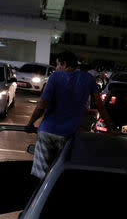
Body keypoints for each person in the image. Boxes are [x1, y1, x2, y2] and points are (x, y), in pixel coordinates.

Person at [26, 51, 113, 179]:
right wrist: (110, 128)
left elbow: (41, 105)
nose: (56, 68)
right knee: (61, 173)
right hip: (69, 135)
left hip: (47, 132)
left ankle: (41, 197)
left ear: (64, 64)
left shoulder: (55, 77)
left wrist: (30, 123)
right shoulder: (88, 79)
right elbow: (100, 106)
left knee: (41, 175)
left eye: (57, 64)